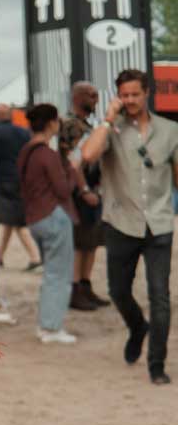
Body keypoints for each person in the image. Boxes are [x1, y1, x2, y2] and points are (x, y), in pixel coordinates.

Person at [80, 69, 178, 386]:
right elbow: (88, 155)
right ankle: (138, 328)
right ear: (118, 96)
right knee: (119, 291)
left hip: (160, 223)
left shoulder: (170, 130)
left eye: (135, 94)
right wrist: (108, 120)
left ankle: (157, 364)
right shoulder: (110, 130)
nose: (130, 100)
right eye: (125, 95)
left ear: (147, 93)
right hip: (121, 223)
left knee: (160, 296)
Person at [17, 103, 78, 345]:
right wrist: (73, 171)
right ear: (52, 122)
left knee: (51, 274)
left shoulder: (26, 151)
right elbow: (63, 190)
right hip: (53, 216)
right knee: (59, 275)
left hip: (34, 218)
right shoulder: (48, 155)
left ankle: (46, 325)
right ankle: (51, 327)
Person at [59, 82, 110, 311]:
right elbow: (73, 162)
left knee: (91, 242)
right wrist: (84, 190)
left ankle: (85, 285)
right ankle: (75, 290)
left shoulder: (87, 125)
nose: (96, 99)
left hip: (93, 190)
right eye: (92, 95)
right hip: (80, 193)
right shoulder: (70, 124)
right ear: (78, 96)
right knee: (80, 242)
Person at [0, 104, 40, 269]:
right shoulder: (23, 132)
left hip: (3, 181)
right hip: (22, 179)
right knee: (10, 219)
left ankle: (35, 257)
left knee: (17, 221)